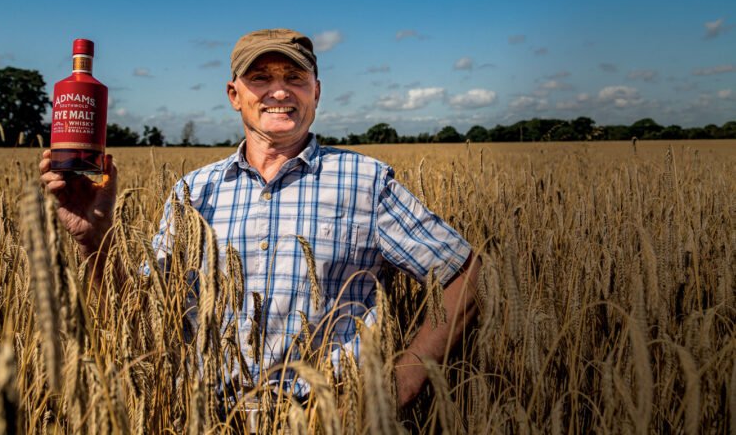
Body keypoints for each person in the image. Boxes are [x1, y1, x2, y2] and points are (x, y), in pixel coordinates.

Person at [40, 28, 480, 407]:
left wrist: (399, 386)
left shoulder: (365, 181)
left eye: (295, 77)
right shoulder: (194, 192)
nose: (280, 90)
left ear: (316, 91)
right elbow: (139, 314)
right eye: (260, 78)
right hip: (207, 418)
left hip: (324, 419)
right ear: (235, 95)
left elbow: (464, 274)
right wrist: (93, 240)